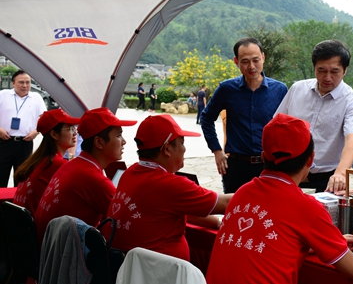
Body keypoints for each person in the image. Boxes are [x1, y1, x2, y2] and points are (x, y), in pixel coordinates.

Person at [206, 113, 353, 284]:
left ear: (263, 157)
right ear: (311, 159)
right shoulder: (307, 207)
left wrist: (331, 243)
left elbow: (277, 240)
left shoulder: (242, 193)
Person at [105, 114, 232, 261]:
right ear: (167, 149)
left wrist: (217, 222)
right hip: (161, 276)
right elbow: (228, 203)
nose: (184, 149)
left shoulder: (130, 173)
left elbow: (185, 210)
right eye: (182, 143)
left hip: (126, 269)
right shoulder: (170, 184)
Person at [34, 107, 137, 240]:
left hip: (49, 251)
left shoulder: (73, 165)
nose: (124, 141)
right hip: (68, 256)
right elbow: (128, 225)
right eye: (118, 135)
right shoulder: (94, 179)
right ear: (99, 142)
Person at [200, 37, 287, 193]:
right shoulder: (227, 89)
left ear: (263, 57)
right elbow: (206, 118)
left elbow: (288, 126)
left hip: (269, 166)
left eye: (256, 60)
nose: (251, 66)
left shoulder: (279, 90)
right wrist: (216, 151)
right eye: (245, 61)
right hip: (236, 167)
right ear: (236, 61)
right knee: (236, 212)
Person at [275, 39, 353, 193]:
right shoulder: (297, 89)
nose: (327, 77)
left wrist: (341, 173)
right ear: (314, 67)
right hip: (290, 173)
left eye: (334, 71)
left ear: (345, 70)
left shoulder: (352, 100)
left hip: (328, 178)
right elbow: (277, 126)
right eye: (321, 70)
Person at [13, 109, 80, 216]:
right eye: (70, 128)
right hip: (39, 229)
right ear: (54, 134)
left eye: (75, 128)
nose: (75, 133)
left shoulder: (38, 159)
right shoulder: (57, 164)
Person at [0, 70, 47, 187]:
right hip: (4, 141)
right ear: (13, 83)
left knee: (22, 178)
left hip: (24, 143)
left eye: (28, 82)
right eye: (21, 82)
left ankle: (17, 204)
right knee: (1, 176)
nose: (25, 85)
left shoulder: (36, 98)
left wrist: (36, 132)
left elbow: (45, 120)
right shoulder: (3, 95)